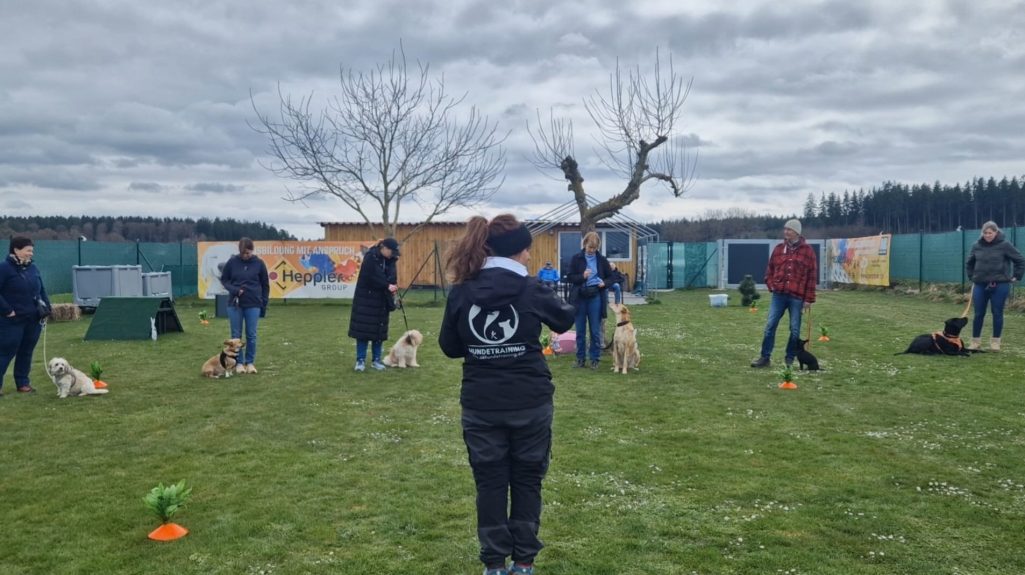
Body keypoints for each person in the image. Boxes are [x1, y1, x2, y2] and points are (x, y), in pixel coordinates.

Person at [439, 214, 575, 575]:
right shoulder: (532, 288)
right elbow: (565, 319)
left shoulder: (462, 290)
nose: (530, 256)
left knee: (490, 483)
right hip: (530, 400)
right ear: (518, 250)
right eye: (528, 250)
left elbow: (450, 346)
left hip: (481, 403)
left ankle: (495, 564)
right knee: (527, 480)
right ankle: (524, 561)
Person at [751, 219, 817, 368]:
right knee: (770, 325)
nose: (786, 232)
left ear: (797, 232)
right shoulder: (779, 249)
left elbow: (812, 277)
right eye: (785, 229)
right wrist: (771, 286)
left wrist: (809, 299)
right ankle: (765, 358)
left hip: (797, 296)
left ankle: (790, 358)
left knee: (795, 329)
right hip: (779, 295)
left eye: (789, 229)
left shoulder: (808, 251)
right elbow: (769, 270)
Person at [0, 237, 51, 395]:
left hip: (33, 319)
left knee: (26, 351)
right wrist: (7, 310)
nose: (31, 253)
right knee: (5, 352)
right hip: (11, 321)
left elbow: (41, 290)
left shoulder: (33, 268)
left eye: (32, 250)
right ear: (16, 250)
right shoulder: (3, 268)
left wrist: (47, 308)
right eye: (28, 250)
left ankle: (23, 383)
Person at [965, 221, 1024, 351]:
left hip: (1000, 285)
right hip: (980, 285)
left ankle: (995, 342)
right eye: (985, 233)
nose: (987, 235)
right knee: (978, 313)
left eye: (990, 233)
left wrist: (1017, 276)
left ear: (996, 232)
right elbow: (969, 263)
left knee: (997, 313)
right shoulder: (976, 245)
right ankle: (975, 342)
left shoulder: (1005, 245)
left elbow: (1020, 260)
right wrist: (971, 277)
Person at [219, 237, 270, 374]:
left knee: (251, 335)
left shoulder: (259, 263)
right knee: (236, 335)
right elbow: (224, 280)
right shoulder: (232, 262)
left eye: (248, 253)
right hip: (235, 304)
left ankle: (250, 362)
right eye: (243, 253)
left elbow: (265, 285)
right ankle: (239, 363)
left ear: (252, 250)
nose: (245, 256)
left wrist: (264, 303)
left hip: (253, 303)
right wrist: (235, 290)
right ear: (239, 251)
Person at [349, 237, 399, 371]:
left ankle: (376, 360)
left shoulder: (391, 260)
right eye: (392, 252)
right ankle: (360, 360)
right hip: (366, 300)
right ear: (384, 248)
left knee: (379, 332)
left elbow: (392, 277)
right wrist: (387, 285)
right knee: (363, 332)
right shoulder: (371, 257)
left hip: (382, 301)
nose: (393, 255)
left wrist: (392, 286)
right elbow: (372, 277)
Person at [567, 231, 612, 368]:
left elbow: (612, 277)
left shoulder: (602, 260)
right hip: (580, 297)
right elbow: (569, 277)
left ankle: (594, 359)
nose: (592, 250)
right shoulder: (576, 258)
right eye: (590, 247)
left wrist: (605, 283)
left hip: (595, 296)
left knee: (595, 330)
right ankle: (580, 359)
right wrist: (582, 276)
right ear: (585, 243)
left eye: (594, 248)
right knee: (580, 330)